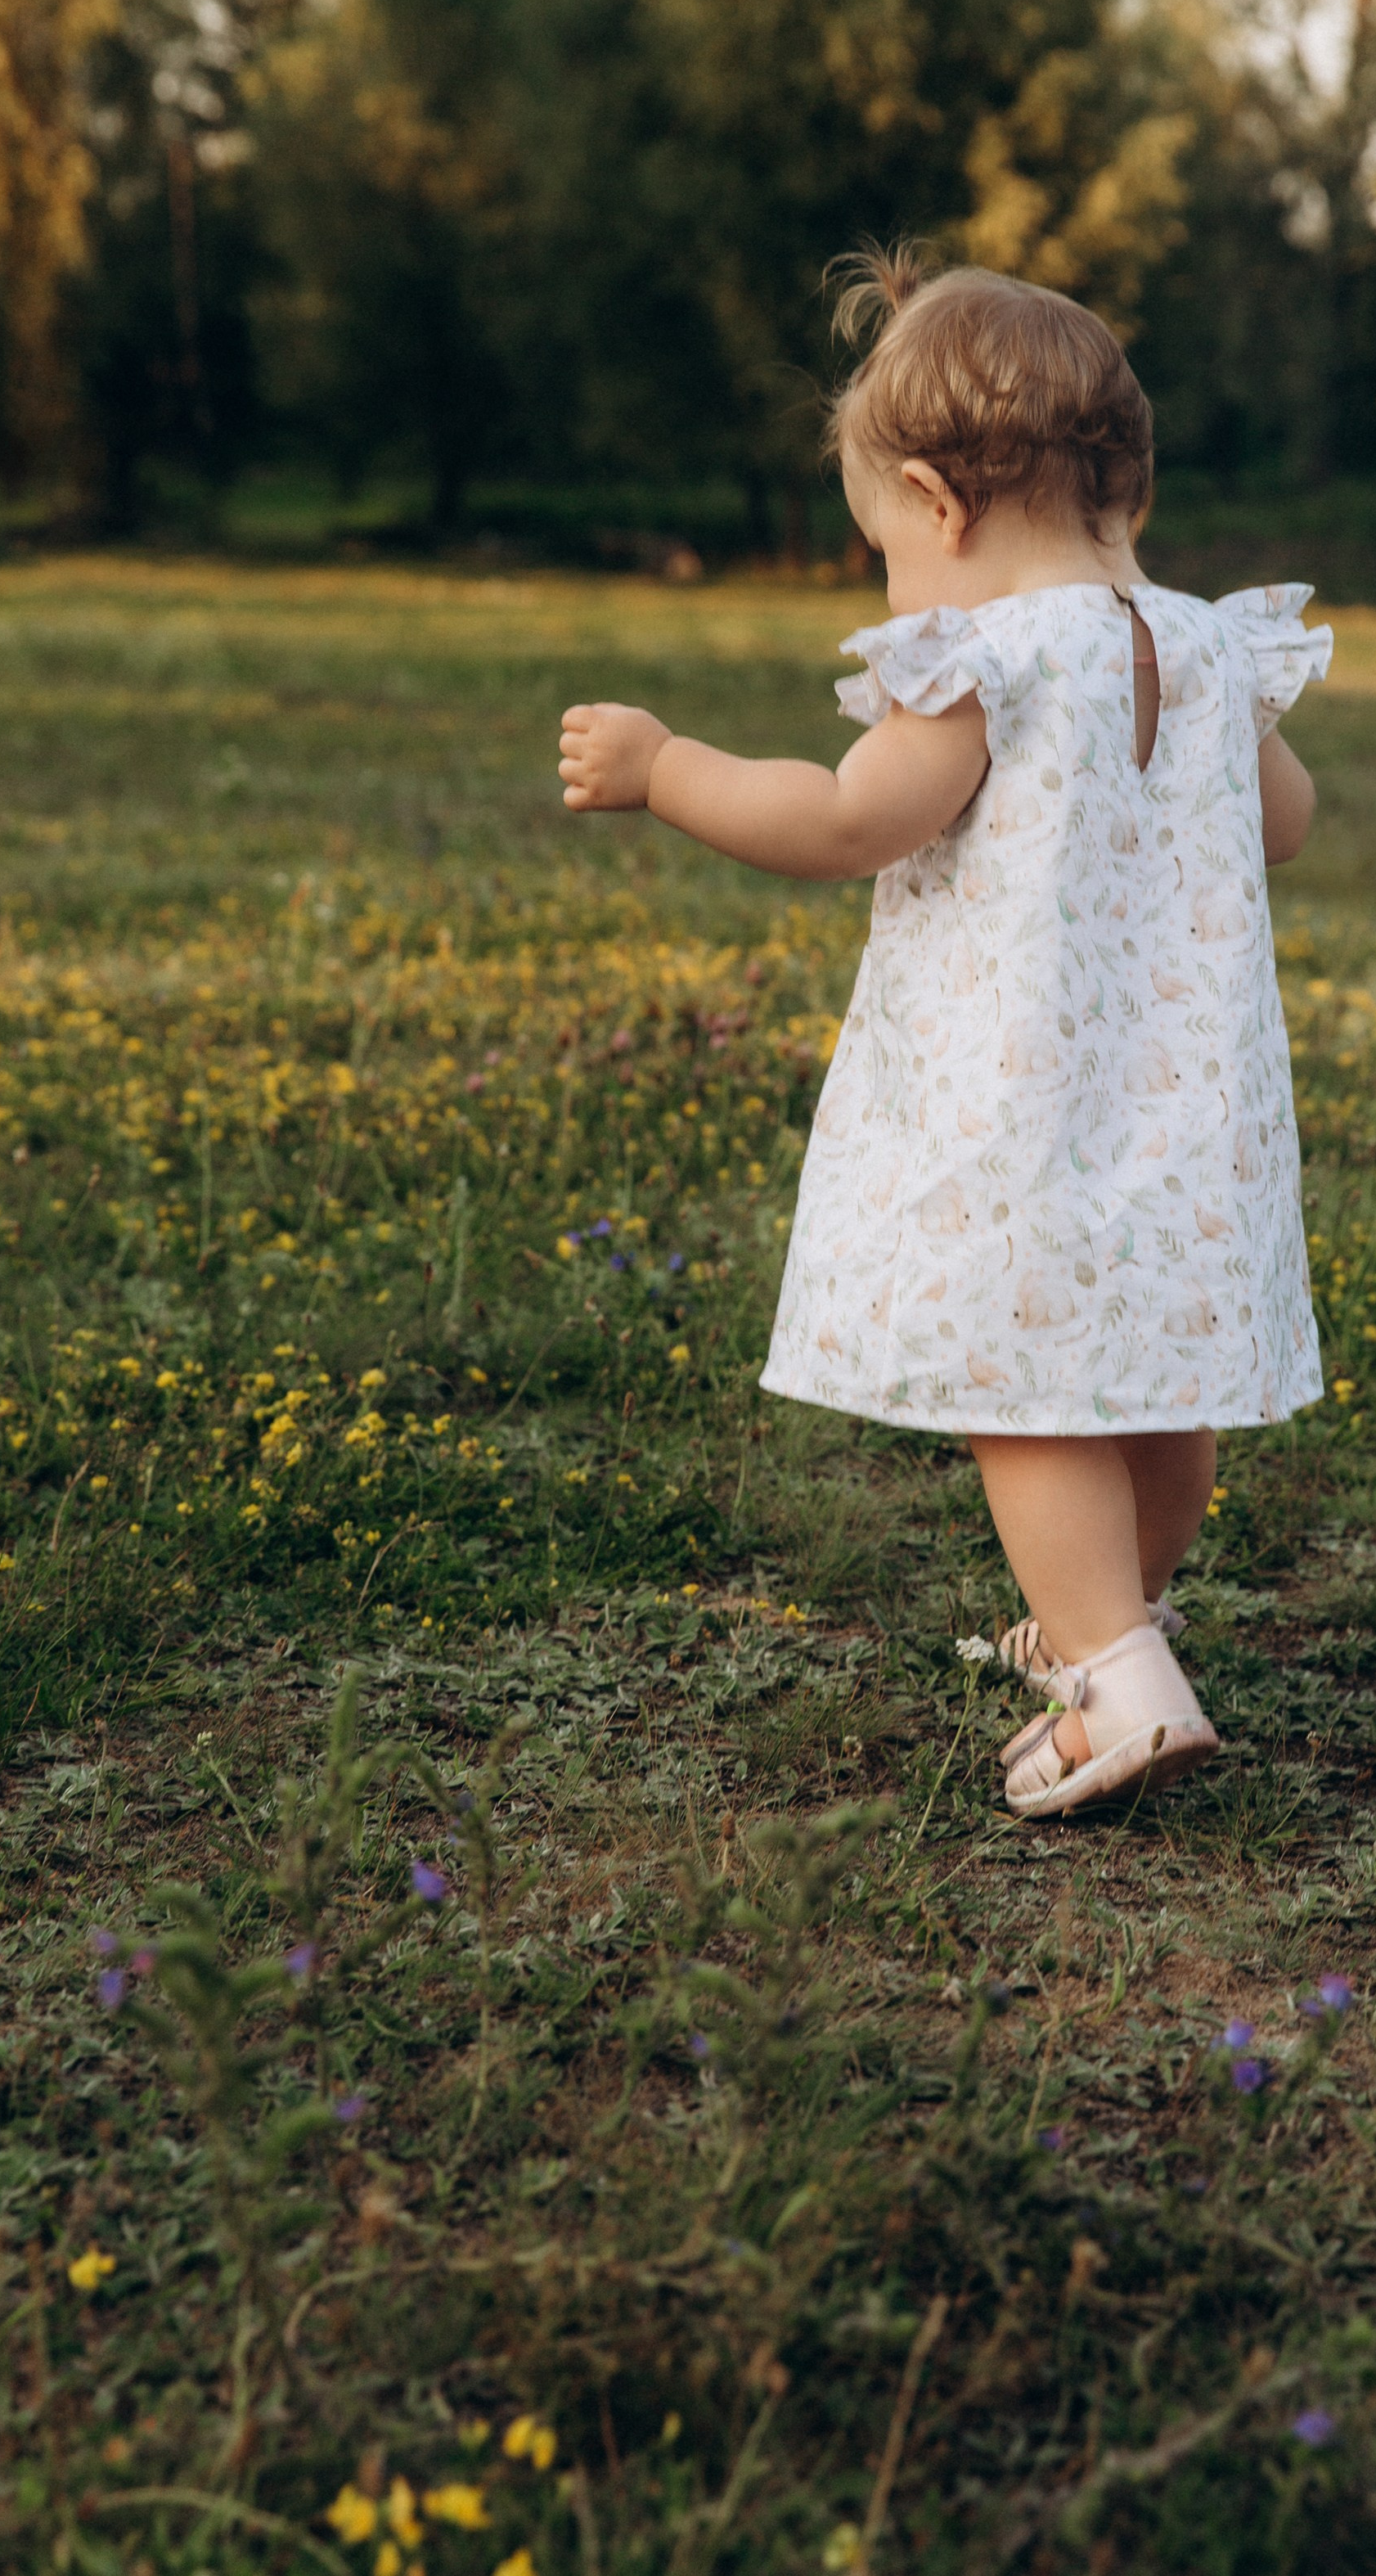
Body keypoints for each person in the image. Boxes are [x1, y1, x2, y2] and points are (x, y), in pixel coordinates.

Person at [558, 248, 1328, 1817]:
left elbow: (848, 819)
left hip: (1021, 1105)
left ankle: (1115, 1675)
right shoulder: (1200, 647)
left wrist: (667, 767)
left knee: (1027, 1387)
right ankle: (1097, 1618)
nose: (893, 586)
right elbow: (1286, 824)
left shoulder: (983, 657)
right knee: (1152, 1378)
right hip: (1191, 1116)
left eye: (885, 547)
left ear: (938, 499)